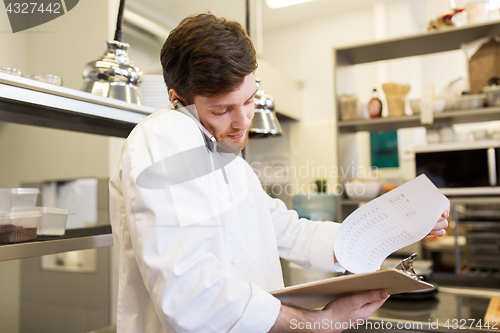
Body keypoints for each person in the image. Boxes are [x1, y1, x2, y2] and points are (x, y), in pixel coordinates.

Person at [109, 13, 449, 333]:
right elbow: (189, 292)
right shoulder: (165, 135)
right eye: (222, 109)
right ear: (177, 99)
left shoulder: (227, 160)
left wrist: (397, 224)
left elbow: (285, 230)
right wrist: (312, 323)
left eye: (249, 100)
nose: (243, 122)